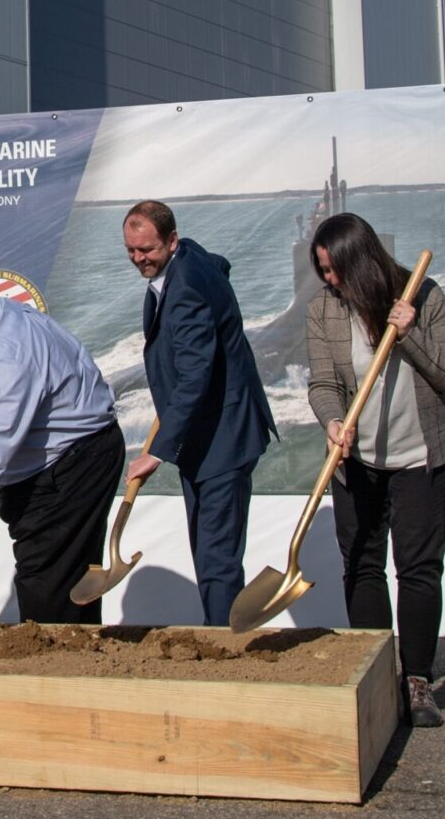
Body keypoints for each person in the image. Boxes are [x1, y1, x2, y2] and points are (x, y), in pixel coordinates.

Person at [305, 212, 445, 728]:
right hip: (358, 460)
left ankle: (417, 681)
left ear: (362, 263)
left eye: (334, 270)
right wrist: (333, 421)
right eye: (322, 271)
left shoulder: (423, 296)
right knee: (361, 564)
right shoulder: (324, 310)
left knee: (418, 569)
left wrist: (410, 333)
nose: (329, 281)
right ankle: (374, 675)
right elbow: (323, 384)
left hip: (422, 457)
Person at [0, 265, 122, 624]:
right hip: (60, 461)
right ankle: (75, 651)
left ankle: (51, 664)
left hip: (72, 464)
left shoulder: (8, 349)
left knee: (46, 577)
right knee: (68, 572)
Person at [118, 200, 276, 626]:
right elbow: (220, 265)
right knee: (210, 549)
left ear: (170, 240)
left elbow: (195, 375)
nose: (138, 259)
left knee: (215, 557)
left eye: (147, 250)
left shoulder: (185, 287)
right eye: (131, 250)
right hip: (207, 434)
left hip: (222, 438)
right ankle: (223, 630)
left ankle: (225, 647)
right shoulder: (192, 255)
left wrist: (159, 449)